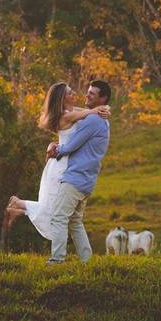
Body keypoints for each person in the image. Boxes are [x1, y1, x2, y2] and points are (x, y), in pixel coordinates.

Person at [1, 82, 110, 243]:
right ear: (63, 98)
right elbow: (88, 113)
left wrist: (105, 109)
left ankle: (19, 208)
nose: (75, 95)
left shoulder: (71, 111)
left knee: (54, 207)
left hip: (66, 163)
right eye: (70, 93)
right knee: (53, 208)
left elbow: (86, 112)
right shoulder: (66, 115)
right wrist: (98, 110)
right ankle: (18, 206)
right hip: (61, 165)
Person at [44, 80, 111, 264]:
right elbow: (78, 114)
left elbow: (71, 146)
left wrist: (55, 150)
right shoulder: (99, 118)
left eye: (92, 94)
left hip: (75, 177)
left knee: (59, 218)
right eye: (87, 92)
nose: (86, 95)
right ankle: (86, 261)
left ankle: (56, 260)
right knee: (75, 221)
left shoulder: (92, 120)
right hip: (87, 179)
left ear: (102, 98)